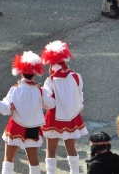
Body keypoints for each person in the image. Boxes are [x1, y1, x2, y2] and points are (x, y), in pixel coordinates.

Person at [1, 51, 55, 174]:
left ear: (20, 71)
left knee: (8, 159)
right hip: (33, 127)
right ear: (35, 73)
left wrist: (10, 107)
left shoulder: (14, 89)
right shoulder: (40, 91)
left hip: (15, 125)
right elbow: (51, 105)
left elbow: (5, 106)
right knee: (33, 159)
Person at [41, 40, 88, 174]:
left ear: (51, 64)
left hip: (54, 117)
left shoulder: (50, 80)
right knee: (71, 147)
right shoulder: (76, 76)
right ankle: (75, 172)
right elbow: (80, 96)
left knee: (51, 150)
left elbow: (49, 102)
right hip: (72, 115)